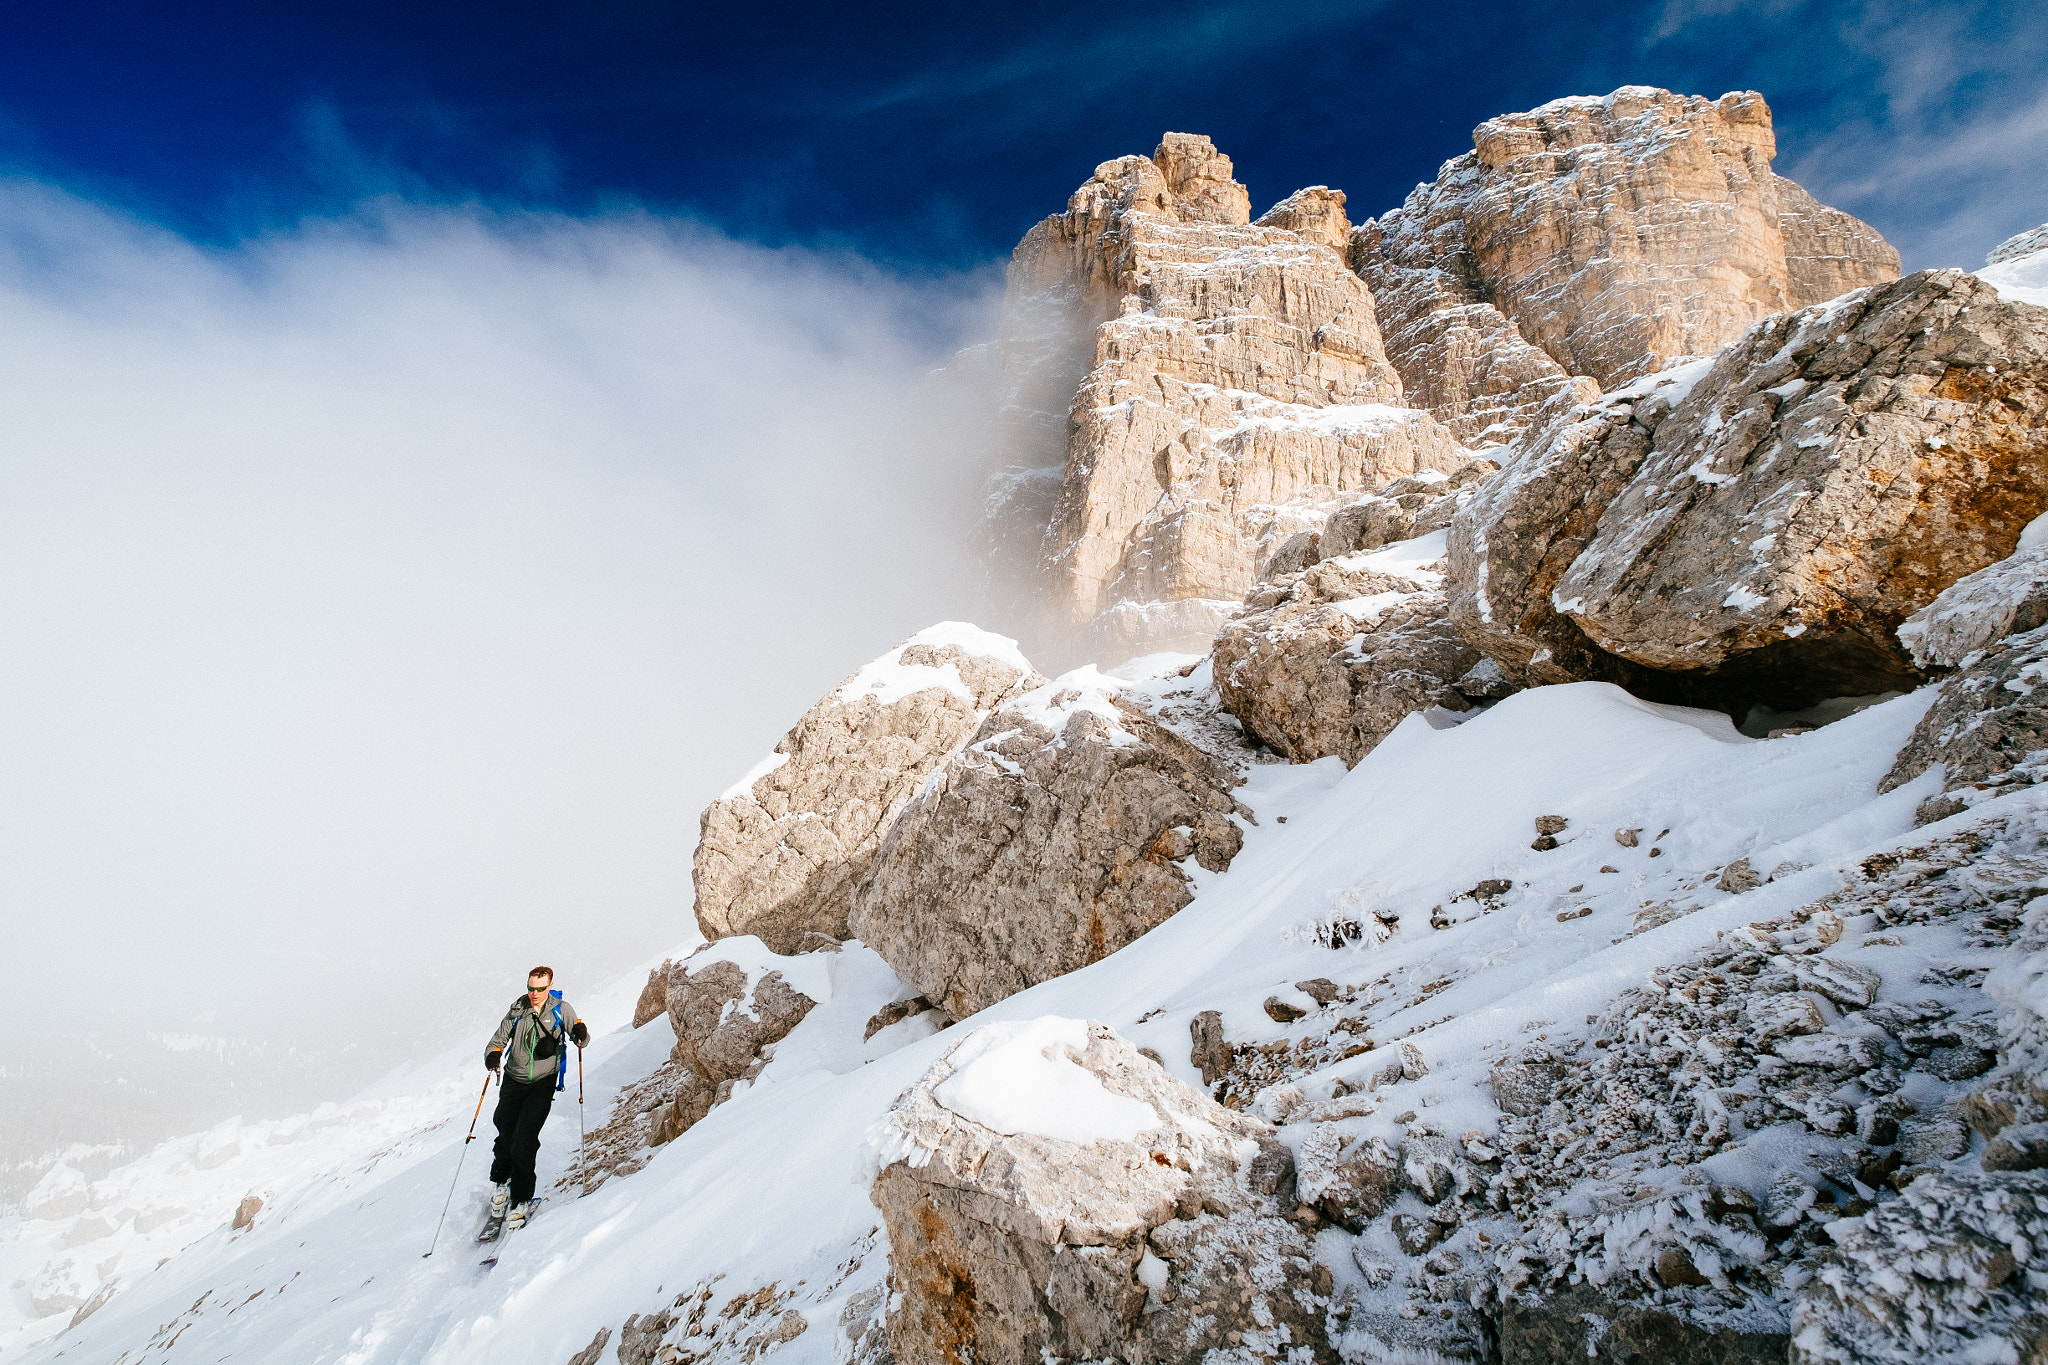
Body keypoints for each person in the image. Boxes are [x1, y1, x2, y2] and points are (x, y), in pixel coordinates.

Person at [484, 965, 588, 1229]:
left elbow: (581, 1038)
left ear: (549, 986)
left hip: (542, 1081)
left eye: (540, 988)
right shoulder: (517, 1010)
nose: (534, 993)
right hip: (513, 1077)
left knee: (524, 1139)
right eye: (530, 987)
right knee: (504, 1128)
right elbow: (497, 1040)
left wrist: (580, 1033)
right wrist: (493, 1055)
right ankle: (502, 1180)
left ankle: (521, 1200)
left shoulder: (561, 1009)